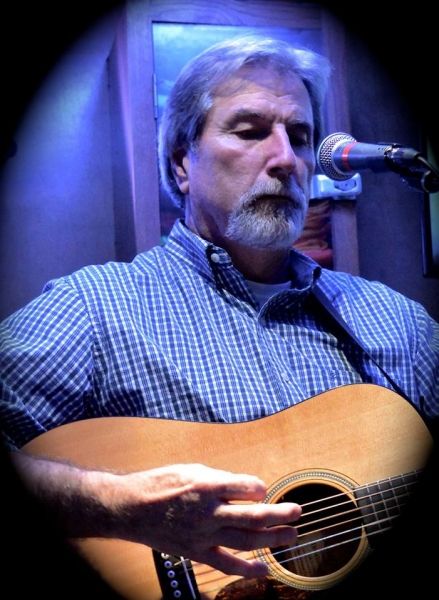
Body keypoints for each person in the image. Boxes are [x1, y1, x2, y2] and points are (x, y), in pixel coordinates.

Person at [0, 35, 438, 592]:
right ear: (182, 163)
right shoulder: (94, 307)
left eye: (300, 137)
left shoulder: (395, 321)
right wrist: (118, 506)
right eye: (251, 131)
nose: (285, 159)